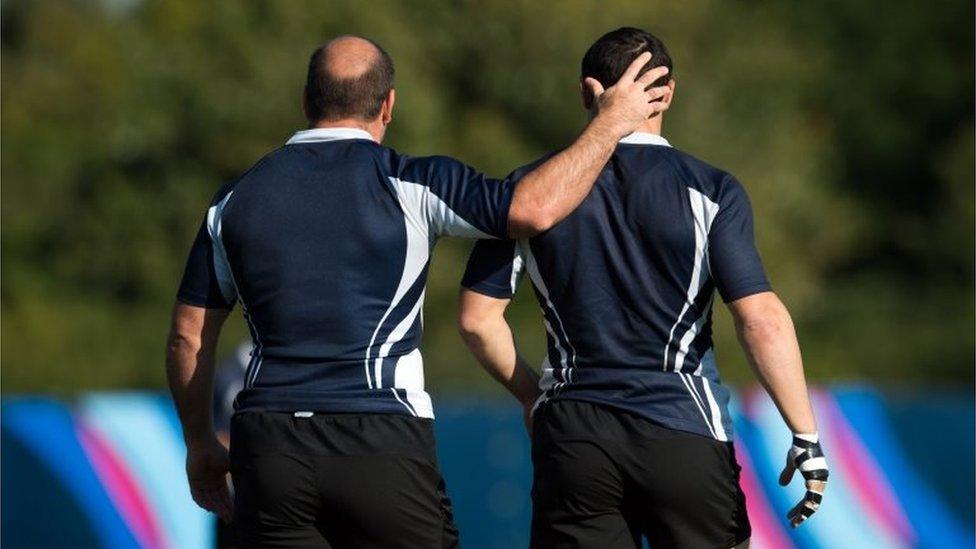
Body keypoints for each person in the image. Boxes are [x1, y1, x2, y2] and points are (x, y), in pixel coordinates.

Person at [165, 34, 671, 548]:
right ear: (388, 105)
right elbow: (532, 210)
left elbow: (189, 335)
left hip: (268, 447)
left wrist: (200, 443)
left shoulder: (235, 199)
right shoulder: (412, 182)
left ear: (306, 101)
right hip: (380, 438)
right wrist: (611, 120)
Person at [457, 27, 828, 549]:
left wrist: (532, 397)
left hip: (573, 435)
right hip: (683, 427)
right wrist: (805, 434)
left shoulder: (526, 191)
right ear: (668, 92)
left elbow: (476, 320)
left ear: (588, 92)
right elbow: (761, 318)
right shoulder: (711, 189)